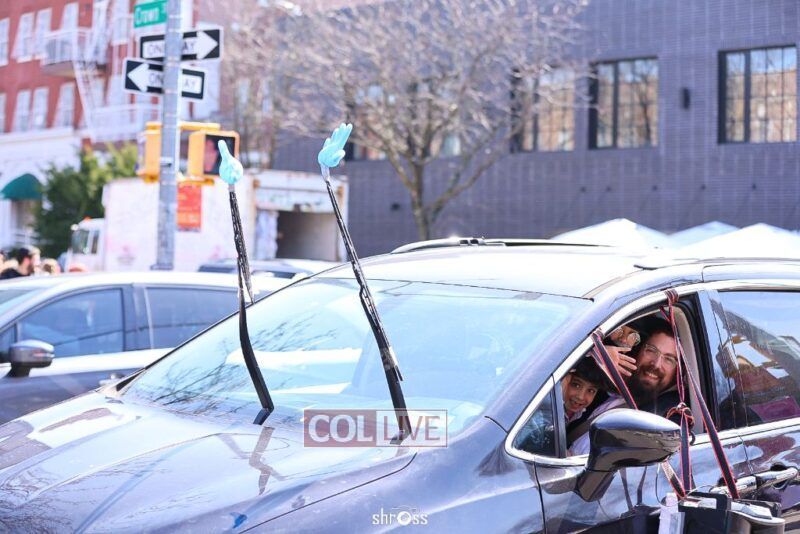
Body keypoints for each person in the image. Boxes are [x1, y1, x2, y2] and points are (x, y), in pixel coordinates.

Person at [568, 320, 680, 455]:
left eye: (669, 359)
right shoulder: (610, 383)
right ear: (638, 351)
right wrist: (593, 352)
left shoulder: (669, 418)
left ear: (678, 371)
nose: (656, 364)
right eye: (651, 350)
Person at [561, 357, 608, 424]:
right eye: (576, 385)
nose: (581, 397)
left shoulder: (583, 414)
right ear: (565, 380)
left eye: (591, 391)